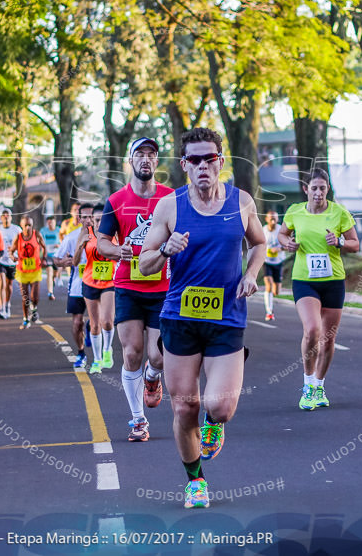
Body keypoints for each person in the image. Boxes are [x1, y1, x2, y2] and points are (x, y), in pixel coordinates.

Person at [138, 127, 266, 509]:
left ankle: (215, 424)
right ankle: (195, 480)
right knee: (184, 407)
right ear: (184, 166)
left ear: (221, 162)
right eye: (194, 160)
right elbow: (144, 264)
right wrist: (165, 248)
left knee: (220, 407)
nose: (202, 166)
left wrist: (250, 274)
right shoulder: (170, 207)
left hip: (226, 317)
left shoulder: (242, 202)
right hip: (180, 318)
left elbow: (259, 242)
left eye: (209, 158)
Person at [96, 137, 173, 442]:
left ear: (157, 162)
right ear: (130, 160)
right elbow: (101, 242)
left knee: (158, 357)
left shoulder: (171, 198)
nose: (145, 159)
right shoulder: (116, 201)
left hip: (163, 287)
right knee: (131, 353)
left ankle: (153, 379)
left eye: (151, 155)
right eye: (140, 154)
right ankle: (138, 419)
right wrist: (117, 251)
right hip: (127, 285)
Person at [279, 169, 360, 410]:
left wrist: (340, 242)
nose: (318, 193)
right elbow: (282, 234)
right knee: (312, 330)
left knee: (328, 339)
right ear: (306, 190)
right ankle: (306, 385)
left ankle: (319, 385)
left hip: (333, 280)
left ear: (327, 189)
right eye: (313, 188)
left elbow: (356, 244)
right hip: (304, 279)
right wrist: (287, 243)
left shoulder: (339, 213)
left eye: (322, 188)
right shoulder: (295, 211)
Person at [77, 204, 116, 374]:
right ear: (92, 220)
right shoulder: (86, 234)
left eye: (103, 220)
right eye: (97, 219)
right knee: (94, 325)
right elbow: (74, 261)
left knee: (106, 321)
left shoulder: (114, 234)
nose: (100, 223)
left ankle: (107, 350)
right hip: (90, 281)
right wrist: (80, 246)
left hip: (109, 282)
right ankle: (97, 361)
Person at [57, 204, 94, 368]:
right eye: (84, 217)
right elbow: (56, 260)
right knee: (76, 323)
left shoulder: (103, 237)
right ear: (79, 219)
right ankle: (80, 353)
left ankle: (90, 326)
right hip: (77, 286)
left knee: (97, 321)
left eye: (90, 216)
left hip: (98, 285)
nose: (88, 220)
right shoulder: (71, 238)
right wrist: (63, 262)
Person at [10, 215, 47, 328]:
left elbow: (44, 247)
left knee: (35, 297)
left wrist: (43, 258)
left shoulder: (36, 235)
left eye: (29, 225)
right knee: (25, 297)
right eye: (25, 225)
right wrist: (12, 257)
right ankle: (26, 319)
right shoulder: (18, 237)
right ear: (22, 226)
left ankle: (34, 308)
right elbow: (12, 251)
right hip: (22, 271)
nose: (27, 227)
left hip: (35, 270)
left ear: (32, 225)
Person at [0, 210, 22, 319]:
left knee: (9, 285)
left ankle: (7, 304)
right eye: (3, 216)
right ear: (1, 218)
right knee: (1, 282)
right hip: (0, 260)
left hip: (12, 261)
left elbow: (22, 244)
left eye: (8, 215)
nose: (6, 217)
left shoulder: (17, 229)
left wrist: (17, 254)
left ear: (11, 217)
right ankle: (2, 309)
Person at [262, 211, 286, 321]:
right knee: (269, 285)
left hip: (278, 261)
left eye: (275, 219)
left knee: (276, 291)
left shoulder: (281, 230)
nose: (273, 221)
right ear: (267, 219)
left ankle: (271, 300)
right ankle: (269, 312)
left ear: (277, 220)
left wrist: (279, 249)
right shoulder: (263, 230)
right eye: (271, 219)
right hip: (266, 262)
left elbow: (287, 245)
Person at [40, 217, 61, 300]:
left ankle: (54, 279)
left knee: (55, 273)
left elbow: (63, 241)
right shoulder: (43, 231)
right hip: (47, 255)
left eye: (52, 222)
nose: (50, 224)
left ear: (55, 223)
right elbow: (40, 241)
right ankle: (50, 293)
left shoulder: (59, 230)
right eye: (49, 223)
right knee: (49, 271)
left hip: (57, 255)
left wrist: (59, 245)